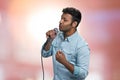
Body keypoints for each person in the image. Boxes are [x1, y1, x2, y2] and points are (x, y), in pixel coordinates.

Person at [41, 7, 90, 80]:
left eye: (65, 20)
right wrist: (50, 40)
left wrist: (64, 62)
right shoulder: (57, 36)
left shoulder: (81, 46)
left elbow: (83, 74)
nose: (60, 21)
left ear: (74, 24)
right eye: (61, 18)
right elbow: (45, 54)